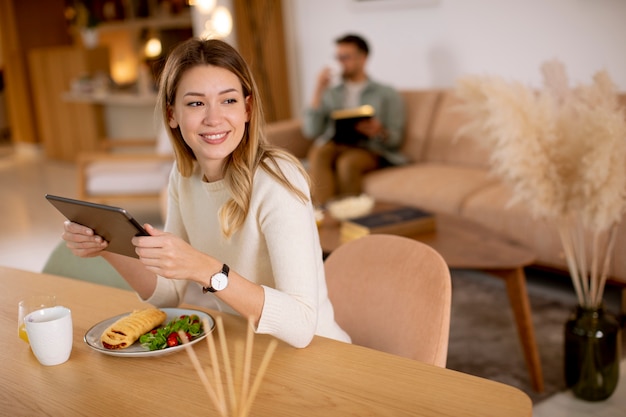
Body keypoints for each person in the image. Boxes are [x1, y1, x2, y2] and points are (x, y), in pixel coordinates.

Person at [62, 38, 350, 348]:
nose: (214, 118)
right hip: (247, 351)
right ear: (172, 114)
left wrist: (205, 269)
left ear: (247, 108)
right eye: (196, 103)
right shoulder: (184, 176)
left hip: (317, 356)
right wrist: (107, 244)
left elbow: (301, 325)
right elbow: (169, 292)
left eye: (228, 101)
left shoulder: (276, 179)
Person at [303, 34, 406, 205]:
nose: (340, 62)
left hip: (369, 149)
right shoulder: (331, 93)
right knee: (319, 151)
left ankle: (348, 216)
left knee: (347, 163)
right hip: (336, 144)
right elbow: (311, 130)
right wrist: (318, 89)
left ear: (363, 58)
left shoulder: (387, 94)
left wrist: (379, 131)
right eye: (338, 57)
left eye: (346, 57)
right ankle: (326, 214)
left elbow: (396, 138)